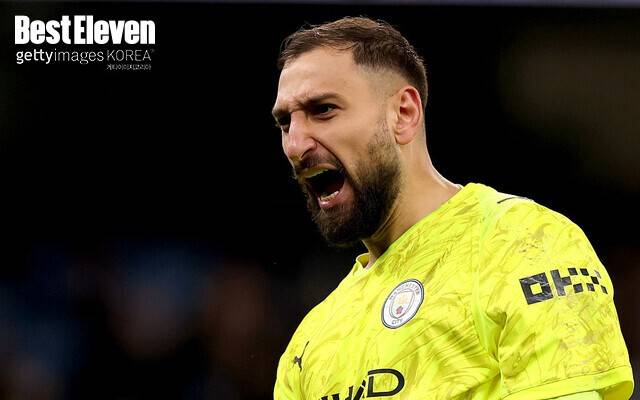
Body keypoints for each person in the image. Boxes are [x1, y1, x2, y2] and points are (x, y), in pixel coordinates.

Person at [271, 17, 634, 400]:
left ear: (404, 114)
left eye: (324, 110)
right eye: (285, 123)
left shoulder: (526, 245)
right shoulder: (310, 343)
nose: (295, 145)